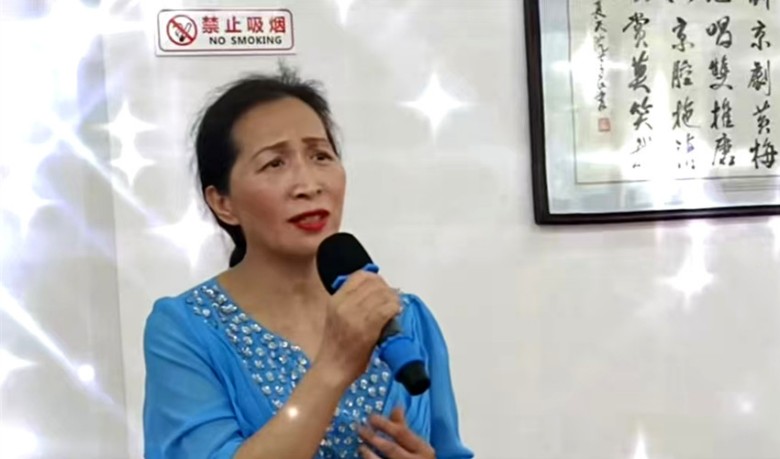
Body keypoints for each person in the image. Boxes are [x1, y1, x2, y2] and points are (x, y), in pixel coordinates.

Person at [142, 65, 473, 459]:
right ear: (223, 203)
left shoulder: (405, 319)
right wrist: (333, 367)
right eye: (274, 163)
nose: (309, 185)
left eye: (320, 156)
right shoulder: (187, 329)